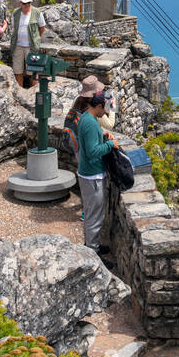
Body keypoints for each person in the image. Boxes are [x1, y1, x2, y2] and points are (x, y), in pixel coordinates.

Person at [74, 92, 115, 255]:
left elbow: (88, 141)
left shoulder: (86, 116)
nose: (105, 113)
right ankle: (92, 254)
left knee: (93, 213)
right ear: (98, 106)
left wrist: (102, 136)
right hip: (92, 175)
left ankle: (93, 245)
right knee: (94, 217)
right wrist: (110, 144)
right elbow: (92, 151)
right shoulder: (91, 123)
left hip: (88, 173)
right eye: (104, 110)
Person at [9, 0, 48, 87]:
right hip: (18, 45)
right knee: (17, 71)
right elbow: (14, 28)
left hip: (31, 47)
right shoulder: (15, 13)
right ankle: (20, 92)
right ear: (20, 4)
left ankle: (34, 92)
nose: (27, 5)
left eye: (29, 3)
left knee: (34, 71)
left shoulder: (37, 12)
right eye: (25, 3)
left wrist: (36, 38)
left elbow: (42, 28)